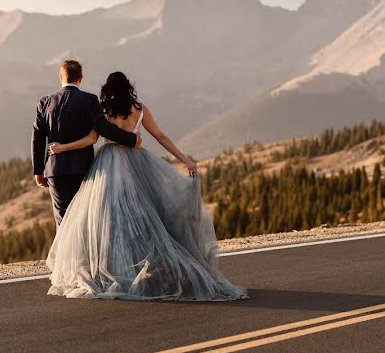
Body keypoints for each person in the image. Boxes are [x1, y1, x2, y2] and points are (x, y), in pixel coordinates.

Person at [44, 71, 246, 301]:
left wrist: (62, 148)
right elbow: (161, 136)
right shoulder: (139, 109)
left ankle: (117, 271)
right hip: (135, 165)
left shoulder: (103, 110)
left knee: (108, 223)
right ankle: (149, 270)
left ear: (107, 89)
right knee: (144, 220)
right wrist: (185, 160)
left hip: (107, 167)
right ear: (128, 87)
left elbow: (91, 140)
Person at [32, 60, 141, 225]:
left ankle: (64, 251)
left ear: (60, 77)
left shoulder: (44, 102)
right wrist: (131, 139)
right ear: (80, 79)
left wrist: (38, 171)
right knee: (85, 220)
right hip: (83, 169)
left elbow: (38, 137)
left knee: (63, 223)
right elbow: (103, 128)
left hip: (56, 170)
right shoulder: (89, 100)